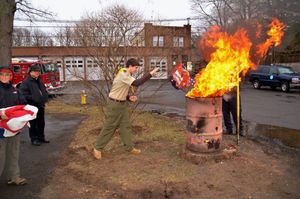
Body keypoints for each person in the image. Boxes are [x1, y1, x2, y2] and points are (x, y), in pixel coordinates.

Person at [93, 58, 159, 159]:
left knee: (126, 126)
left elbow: (120, 89)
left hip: (122, 104)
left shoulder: (127, 75)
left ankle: (129, 147)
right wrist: (150, 74)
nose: (136, 70)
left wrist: (128, 98)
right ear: (130, 66)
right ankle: (97, 148)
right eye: (136, 68)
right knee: (110, 127)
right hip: (114, 104)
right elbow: (136, 83)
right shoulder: (124, 73)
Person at [0, 65, 27, 185]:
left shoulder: (15, 90)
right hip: (0, 129)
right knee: (1, 156)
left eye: (8, 75)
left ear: (11, 76)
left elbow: (23, 105)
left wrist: (24, 118)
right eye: (2, 74)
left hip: (14, 129)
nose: (5, 77)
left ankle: (14, 176)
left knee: (13, 153)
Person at [19, 64, 49, 146]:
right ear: (30, 72)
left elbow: (43, 90)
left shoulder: (39, 80)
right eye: (35, 71)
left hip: (40, 105)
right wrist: (33, 98)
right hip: (32, 106)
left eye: (38, 71)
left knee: (41, 122)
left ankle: (41, 137)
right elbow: (22, 94)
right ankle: (34, 139)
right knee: (33, 123)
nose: (37, 73)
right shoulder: (26, 82)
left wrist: (45, 96)